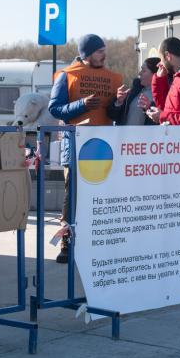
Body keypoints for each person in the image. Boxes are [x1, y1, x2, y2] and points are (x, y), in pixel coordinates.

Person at [48, 34, 123, 263]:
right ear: (87, 54)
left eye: (104, 50)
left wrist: (118, 102)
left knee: (99, 197)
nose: (104, 54)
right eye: (100, 51)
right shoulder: (67, 76)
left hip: (102, 148)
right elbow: (54, 108)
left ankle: (96, 243)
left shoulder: (113, 78)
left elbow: (114, 114)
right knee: (74, 197)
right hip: (75, 146)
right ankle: (67, 244)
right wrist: (82, 104)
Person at [107, 57, 160, 125]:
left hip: (147, 135)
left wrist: (150, 108)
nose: (140, 73)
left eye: (144, 70)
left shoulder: (164, 95)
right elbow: (113, 115)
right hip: (126, 135)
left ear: (154, 74)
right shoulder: (134, 92)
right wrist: (119, 102)